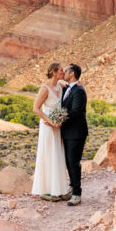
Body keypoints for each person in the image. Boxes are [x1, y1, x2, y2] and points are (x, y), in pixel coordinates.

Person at [30, 63, 68, 200]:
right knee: (47, 155)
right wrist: (51, 121)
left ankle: (57, 189)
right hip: (48, 126)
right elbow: (36, 108)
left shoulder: (60, 86)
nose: (63, 72)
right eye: (61, 70)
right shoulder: (45, 89)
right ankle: (45, 190)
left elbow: (69, 86)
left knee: (56, 155)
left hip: (58, 127)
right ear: (54, 72)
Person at [59, 63, 88, 206]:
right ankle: (72, 187)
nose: (64, 72)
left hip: (76, 133)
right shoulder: (68, 89)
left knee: (74, 162)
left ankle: (77, 194)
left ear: (72, 74)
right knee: (68, 162)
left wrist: (58, 119)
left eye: (66, 71)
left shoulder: (79, 91)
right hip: (67, 132)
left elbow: (76, 112)